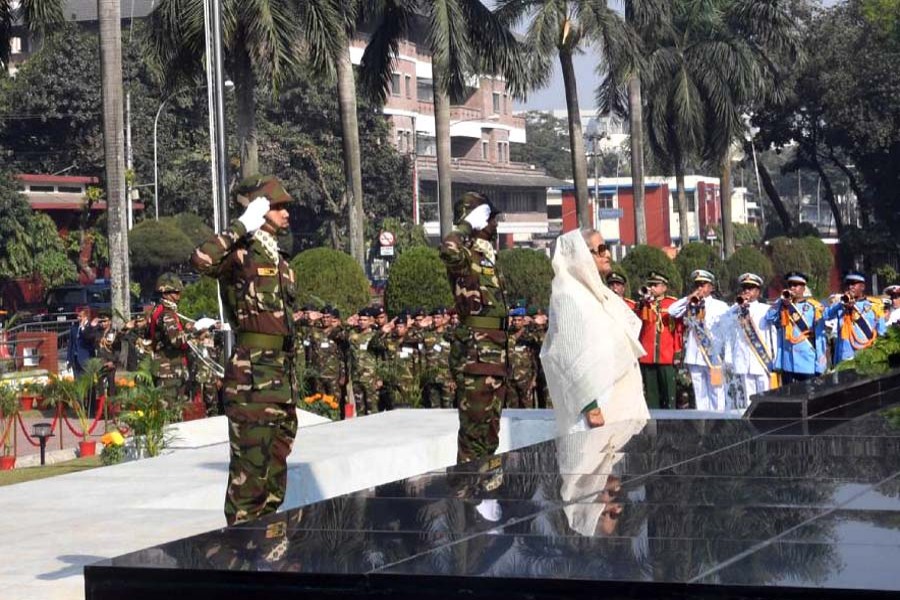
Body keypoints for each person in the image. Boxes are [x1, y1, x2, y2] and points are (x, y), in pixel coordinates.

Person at [191, 174, 299, 526]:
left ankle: (266, 552)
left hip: (279, 377)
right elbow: (202, 260)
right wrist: (241, 225)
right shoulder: (240, 252)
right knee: (248, 480)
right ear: (261, 208)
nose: (286, 214)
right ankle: (240, 556)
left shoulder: (281, 258)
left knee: (273, 478)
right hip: (252, 379)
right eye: (279, 207)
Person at [540, 228, 648, 436]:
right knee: (592, 466)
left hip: (614, 397)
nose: (607, 254)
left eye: (605, 248)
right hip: (595, 405)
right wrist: (591, 407)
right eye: (599, 249)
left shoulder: (600, 293)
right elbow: (569, 354)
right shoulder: (568, 295)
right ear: (580, 254)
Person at [439, 191, 509, 463]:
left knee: (489, 434)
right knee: (473, 437)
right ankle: (468, 498)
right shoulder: (464, 256)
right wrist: (467, 225)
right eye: (490, 218)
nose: (495, 224)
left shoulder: (488, 257)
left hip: (495, 356)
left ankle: (484, 499)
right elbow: (448, 249)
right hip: (476, 358)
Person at [669, 270, 729, 411]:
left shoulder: (720, 306)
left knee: (717, 392)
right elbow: (672, 311)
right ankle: (703, 426)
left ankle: (718, 424)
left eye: (703, 285)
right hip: (695, 356)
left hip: (714, 358)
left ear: (711, 287)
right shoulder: (690, 304)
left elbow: (726, 332)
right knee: (699, 395)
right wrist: (688, 299)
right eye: (697, 285)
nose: (700, 288)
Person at [720, 273, 777, 408]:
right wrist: (738, 307)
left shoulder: (766, 309)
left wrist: (775, 357)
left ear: (758, 291)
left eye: (751, 288)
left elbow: (773, 334)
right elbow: (725, 325)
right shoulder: (734, 310)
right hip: (743, 359)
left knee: (765, 397)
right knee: (747, 399)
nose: (747, 291)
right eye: (745, 288)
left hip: (762, 360)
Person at [765, 271, 826, 384]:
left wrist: (820, 366)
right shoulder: (782, 306)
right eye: (790, 285)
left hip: (807, 362)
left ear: (803, 287)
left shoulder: (814, 307)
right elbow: (769, 318)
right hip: (788, 363)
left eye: (796, 285)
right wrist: (780, 301)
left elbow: (820, 338)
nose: (792, 288)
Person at [635, 272, 681, 409]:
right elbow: (638, 322)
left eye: (655, 285)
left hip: (666, 355)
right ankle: (653, 428)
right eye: (650, 285)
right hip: (648, 355)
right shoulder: (644, 304)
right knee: (651, 396)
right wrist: (644, 302)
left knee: (669, 395)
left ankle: (670, 427)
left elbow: (678, 329)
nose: (652, 288)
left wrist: (677, 352)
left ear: (664, 288)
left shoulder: (672, 303)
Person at [824, 271, 887, 366]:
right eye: (848, 284)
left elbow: (882, 333)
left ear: (862, 286)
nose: (850, 287)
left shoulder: (874, 305)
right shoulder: (840, 304)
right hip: (845, 358)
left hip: (866, 357)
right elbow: (825, 316)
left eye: (854, 283)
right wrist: (841, 305)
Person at [148, 273, 191, 403]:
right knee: (169, 413)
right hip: (168, 371)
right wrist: (194, 332)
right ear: (165, 293)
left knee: (177, 413)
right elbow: (176, 341)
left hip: (174, 369)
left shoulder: (166, 311)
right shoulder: (166, 314)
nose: (179, 296)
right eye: (175, 293)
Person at [67, 308, 96, 377]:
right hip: (75, 358)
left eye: (80, 316)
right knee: (77, 379)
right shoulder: (74, 328)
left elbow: (90, 340)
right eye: (78, 316)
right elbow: (71, 344)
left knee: (86, 380)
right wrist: (69, 359)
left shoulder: (91, 327)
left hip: (86, 357)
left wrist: (83, 328)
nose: (78, 318)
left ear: (85, 317)